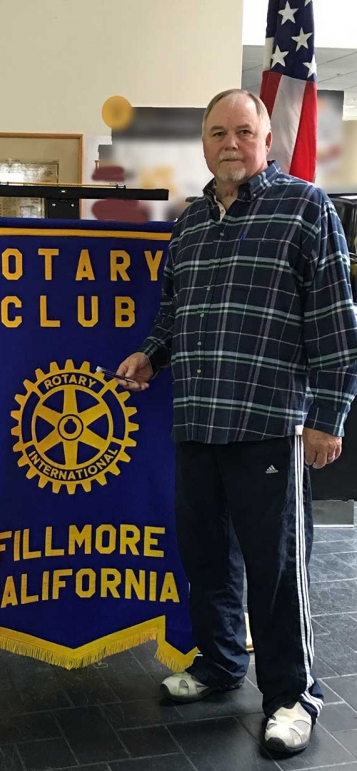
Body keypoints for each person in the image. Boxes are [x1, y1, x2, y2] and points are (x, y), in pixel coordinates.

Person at [117, 88, 357, 754]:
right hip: (197, 421)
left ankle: (292, 697)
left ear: (265, 140)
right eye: (218, 132)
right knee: (206, 557)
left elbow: (336, 325)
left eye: (243, 131)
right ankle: (220, 665)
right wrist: (150, 353)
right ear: (203, 142)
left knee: (277, 569)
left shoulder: (307, 209)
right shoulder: (191, 222)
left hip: (270, 425)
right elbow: (172, 313)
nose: (230, 143)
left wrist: (328, 416)